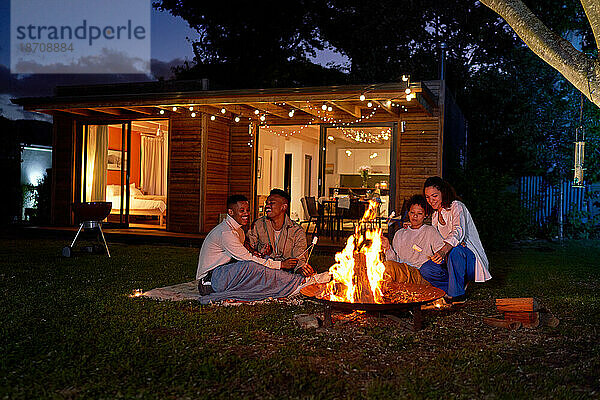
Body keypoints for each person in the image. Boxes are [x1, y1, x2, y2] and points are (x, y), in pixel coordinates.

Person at [196, 194, 309, 304]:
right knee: (252, 266)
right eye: (242, 211)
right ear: (231, 212)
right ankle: (297, 283)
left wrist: (257, 253)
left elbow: (247, 250)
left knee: (261, 262)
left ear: (283, 207)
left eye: (247, 210)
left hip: (226, 272)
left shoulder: (238, 230)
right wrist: (281, 265)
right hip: (210, 280)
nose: (246, 214)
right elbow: (247, 258)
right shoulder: (228, 232)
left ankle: (291, 281)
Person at [423, 176, 491, 302]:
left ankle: (457, 296)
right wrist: (413, 226)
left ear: (443, 192)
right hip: (449, 258)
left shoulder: (456, 206)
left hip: (467, 258)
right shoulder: (434, 216)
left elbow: (458, 231)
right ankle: (450, 289)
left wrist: (445, 250)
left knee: (456, 250)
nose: (431, 200)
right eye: (427, 197)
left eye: (435, 196)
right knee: (426, 269)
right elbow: (435, 239)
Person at [247, 189, 315, 276]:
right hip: (263, 271)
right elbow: (248, 250)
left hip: (286, 274)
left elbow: (300, 259)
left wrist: (302, 270)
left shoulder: (296, 231)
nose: (267, 206)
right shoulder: (258, 225)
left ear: (283, 207)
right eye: (267, 203)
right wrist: (257, 253)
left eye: (272, 203)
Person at [381, 195, 443, 285]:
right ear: (408, 213)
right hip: (402, 272)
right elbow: (394, 261)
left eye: (419, 213)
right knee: (385, 266)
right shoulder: (400, 234)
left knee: (389, 267)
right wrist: (387, 248)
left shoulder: (430, 231)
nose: (415, 216)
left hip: (420, 274)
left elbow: (441, 253)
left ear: (425, 215)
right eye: (412, 212)